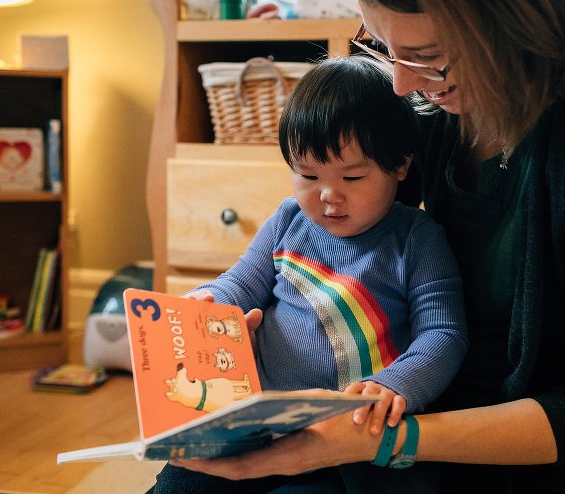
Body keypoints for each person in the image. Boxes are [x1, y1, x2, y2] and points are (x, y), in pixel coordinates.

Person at [165, 0, 565, 493]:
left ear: (508, 22)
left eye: (425, 57)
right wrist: (266, 326)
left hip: (503, 447)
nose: (400, 83)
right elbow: (341, 220)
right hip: (372, 407)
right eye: (386, 48)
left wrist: (380, 437)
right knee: (187, 471)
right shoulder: (432, 101)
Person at [147, 55, 468, 493]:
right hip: (260, 419)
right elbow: (242, 282)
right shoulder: (288, 220)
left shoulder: (417, 239)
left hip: (351, 438)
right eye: (308, 175)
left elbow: (444, 333)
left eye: (353, 177)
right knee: (178, 483)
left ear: (399, 165)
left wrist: (394, 385)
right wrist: (209, 299)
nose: (328, 196)